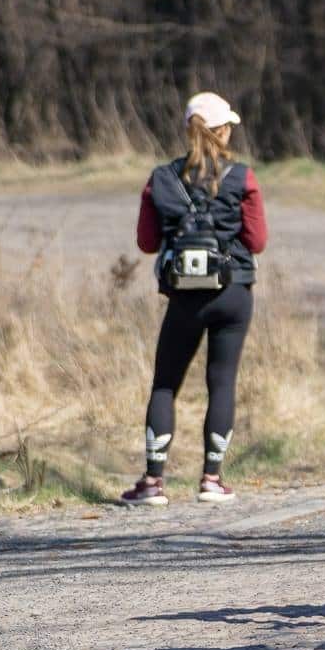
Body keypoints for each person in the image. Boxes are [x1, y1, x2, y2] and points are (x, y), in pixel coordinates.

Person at [120, 92, 268, 506]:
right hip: (233, 292)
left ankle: (152, 484)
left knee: (165, 383)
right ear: (223, 130)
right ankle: (212, 480)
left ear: (189, 130)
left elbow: (147, 242)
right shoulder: (244, 176)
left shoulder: (161, 177)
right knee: (221, 383)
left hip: (183, 298)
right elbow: (257, 240)